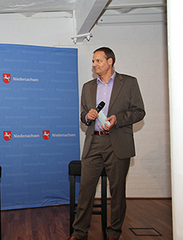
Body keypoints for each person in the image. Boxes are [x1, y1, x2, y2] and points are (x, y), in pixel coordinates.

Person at [68, 47, 145, 240]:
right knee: (86, 189)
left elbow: (139, 111)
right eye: (93, 62)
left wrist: (117, 118)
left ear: (110, 61)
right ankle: (79, 233)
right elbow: (83, 115)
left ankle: (114, 233)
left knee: (117, 191)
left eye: (98, 61)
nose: (94, 65)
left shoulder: (128, 83)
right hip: (94, 142)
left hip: (118, 143)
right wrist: (88, 116)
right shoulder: (88, 87)